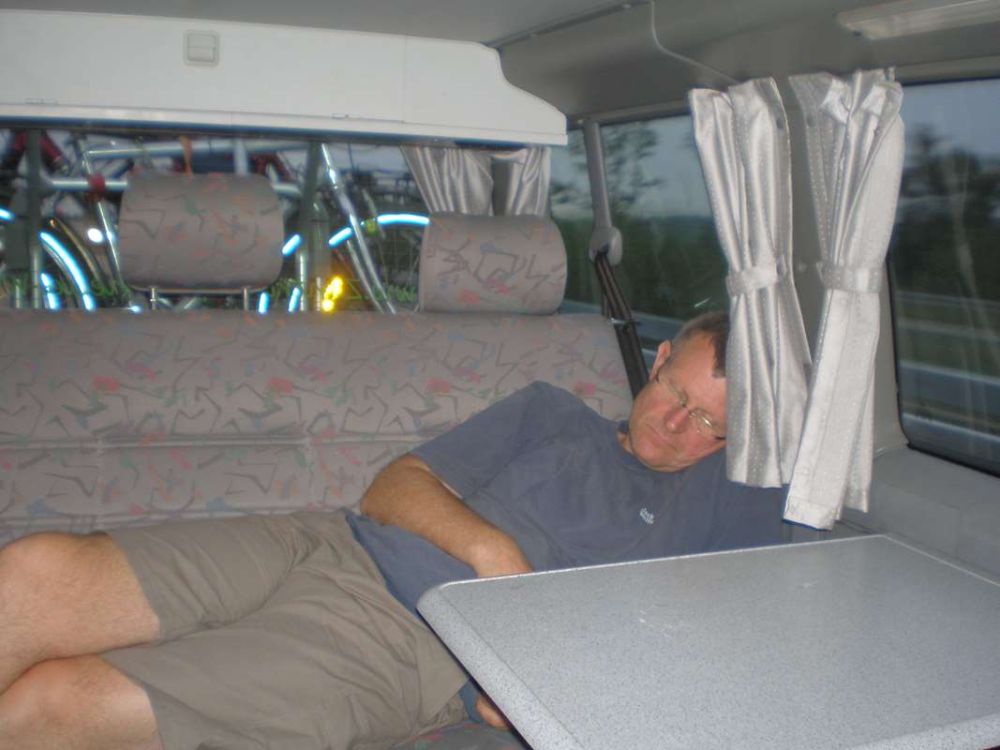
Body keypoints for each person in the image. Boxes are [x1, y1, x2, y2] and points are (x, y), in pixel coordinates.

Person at [0, 311, 788, 750]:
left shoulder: (719, 505)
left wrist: (519, 670)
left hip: (413, 640)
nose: (675, 423)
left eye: (707, 424)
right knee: (35, 571)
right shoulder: (553, 412)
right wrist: (493, 553)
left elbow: (735, 638)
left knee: (62, 704)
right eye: (675, 392)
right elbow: (392, 488)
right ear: (657, 359)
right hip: (329, 540)